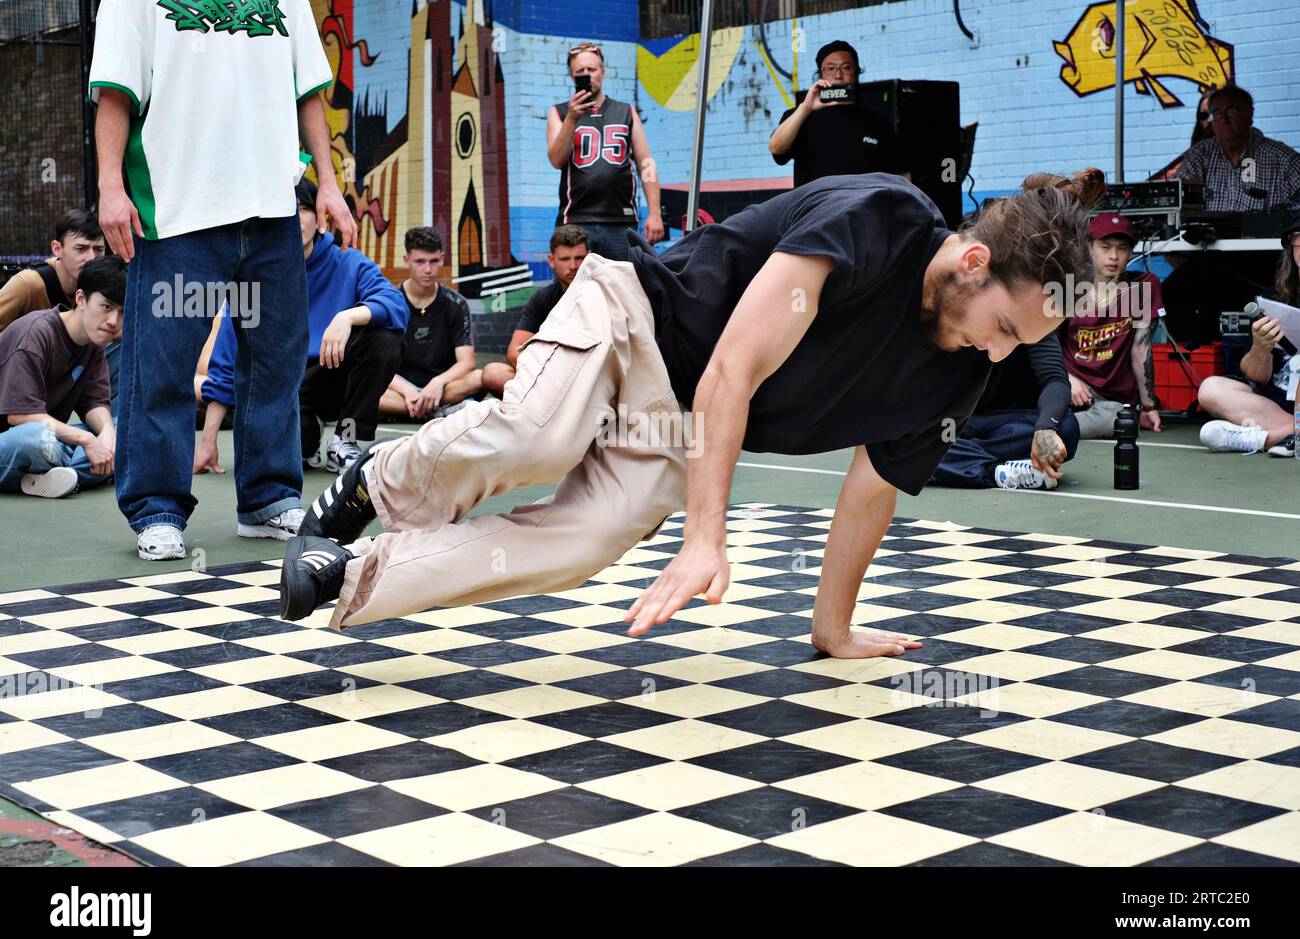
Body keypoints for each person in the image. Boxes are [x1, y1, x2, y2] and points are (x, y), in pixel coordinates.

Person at [282, 168, 1106, 662]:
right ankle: (371, 482)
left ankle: (349, 578)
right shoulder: (877, 219)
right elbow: (733, 369)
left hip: (674, 421)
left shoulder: (955, 376)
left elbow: (873, 488)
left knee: (588, 541)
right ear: (972, 263)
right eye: (1005, 328)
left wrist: (833, 630)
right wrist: (704, 536)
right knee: (541, 433)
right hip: (635, 317)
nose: (999, 355)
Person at [90, 0, 352, 559]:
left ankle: (268, 498)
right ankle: (156, 509)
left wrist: (328, 182)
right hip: (177, 210)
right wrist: (111, 188)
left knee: (276, 362)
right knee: (161, 366)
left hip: (272, 209)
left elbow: (308, 91)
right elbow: (115, 91)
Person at [196, 180, 407, 479]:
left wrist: (346, 318)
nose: (294, 218)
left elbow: (395, 304)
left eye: (303, 209)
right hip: (285, 391)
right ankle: (310, 429)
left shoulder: (346, 261)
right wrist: (208, 441)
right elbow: (226, 360)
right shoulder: (252, 276)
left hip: (333, 374)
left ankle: (345, 439)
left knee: (385, 339)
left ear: (320, 218)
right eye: (285, 211)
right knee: (293, 450)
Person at [0, 256, 125, 498]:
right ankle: (84, 471)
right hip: (16, 439)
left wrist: (108, 433)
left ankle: (62, 478)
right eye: (106, 307)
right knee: (37, 439)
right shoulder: (35, 334)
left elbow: (94, 403)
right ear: (81, 298)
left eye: (122, 312)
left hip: (53, 437)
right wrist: (87, 440)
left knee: (126, 428)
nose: (113, 321)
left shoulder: (94, 341)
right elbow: (20, 415)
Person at [546, 42, 663, 261]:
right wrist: (572, 118)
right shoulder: (560, 112)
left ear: (603, 72)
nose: (587, 75)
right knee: (577, 292)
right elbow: (556, 159)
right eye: (580, 71)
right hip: (575, 220)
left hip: (621, 221)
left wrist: (655, 213)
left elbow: (646, 163)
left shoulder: (625, 111)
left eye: (592, 69)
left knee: (622, 288)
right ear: (572, 77)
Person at [1197, 212, 1300, 456]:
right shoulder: (1278, 299)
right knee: (1211, 388)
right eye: (1299, 243)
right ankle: (1289, 434)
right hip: (1277, 407)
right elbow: (1256, 376)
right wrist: (1261, 347)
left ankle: (1263, 438)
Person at [931, 335, 1079, 490]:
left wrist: (1045, 428)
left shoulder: (1031, 316)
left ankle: (950, 465)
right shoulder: (949, 318)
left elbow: (1055, 379)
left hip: (1013, 422)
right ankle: (996, 472)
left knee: (1065, 427)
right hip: (959, 422)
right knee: (920, 435)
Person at [1063, 214, 1164, 439]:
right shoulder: (1068, 287)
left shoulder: (1144, 286)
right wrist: (1066, 377)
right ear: (1089, 248)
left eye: (1122, 248)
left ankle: (1047, 427)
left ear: (1130, 252)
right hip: (1068, 385)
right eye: (1105, 247)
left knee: (1121, 420)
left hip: (1112, 402)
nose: (1113, 256)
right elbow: (1042, 344)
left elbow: (1141, 350)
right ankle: (1044, 424)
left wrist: (1148, 407)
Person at [769, 40, 909, 189]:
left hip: (863, 208)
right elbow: (776, 148)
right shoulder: (800, 115)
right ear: (820, 74)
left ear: (856, 72)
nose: (838, 75)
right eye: (830, 68)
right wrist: (805, 107)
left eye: (846, 68)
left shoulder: (876, 122)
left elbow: (901, 173)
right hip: (815, 209)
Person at [378, 227, 480, 421]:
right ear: (407, 260)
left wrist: (438, 382)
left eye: (433, 261)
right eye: (420, 262)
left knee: (479, 377)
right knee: (356, 388)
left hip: (443, 388)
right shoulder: (389, 303)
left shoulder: (456, 304)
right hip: (398, 388)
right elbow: (377, 364)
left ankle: (409, 411)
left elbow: (467, 362)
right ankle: (437, 411)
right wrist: (407, 390)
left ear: (442, 258)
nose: (427, 269)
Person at [482, 225, 588, 395]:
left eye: (579, 258)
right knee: (493, 373)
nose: (573, 266)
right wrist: (547, 373)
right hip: (549, 376)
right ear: (551, 260)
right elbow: (514, 350)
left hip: (590, 377)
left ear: (589, 258)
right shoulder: (543, 298)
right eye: (565, 259)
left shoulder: (602, 294)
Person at [1174, 85, 1300, 212]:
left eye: (1231, 111)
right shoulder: (1201, 155)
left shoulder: (1282, 160)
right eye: (1217, 113)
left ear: (1249, 114)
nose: (1224, 119)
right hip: (1211, 232)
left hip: (1265, 232)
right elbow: (1172, 197)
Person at [0, 210, 106, 333]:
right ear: (57, 249)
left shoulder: (104, 281)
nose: (91, 258)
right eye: (81, 249)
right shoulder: (28, 283)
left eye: (98, 250)